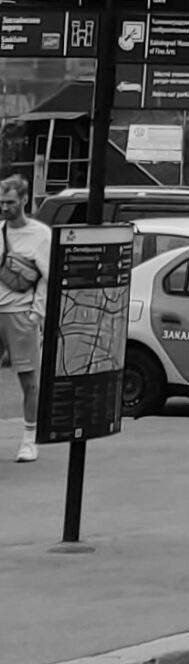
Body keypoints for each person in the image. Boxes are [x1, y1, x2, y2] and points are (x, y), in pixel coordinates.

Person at [0, 171, 51, 464]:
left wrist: (36, 314)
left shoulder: (40, 235)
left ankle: (29, 440)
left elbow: (47, 277)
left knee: (28, 380)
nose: (5, 207)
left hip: (21, 314)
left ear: (24, 200)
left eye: (10, 201)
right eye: (1, 202)